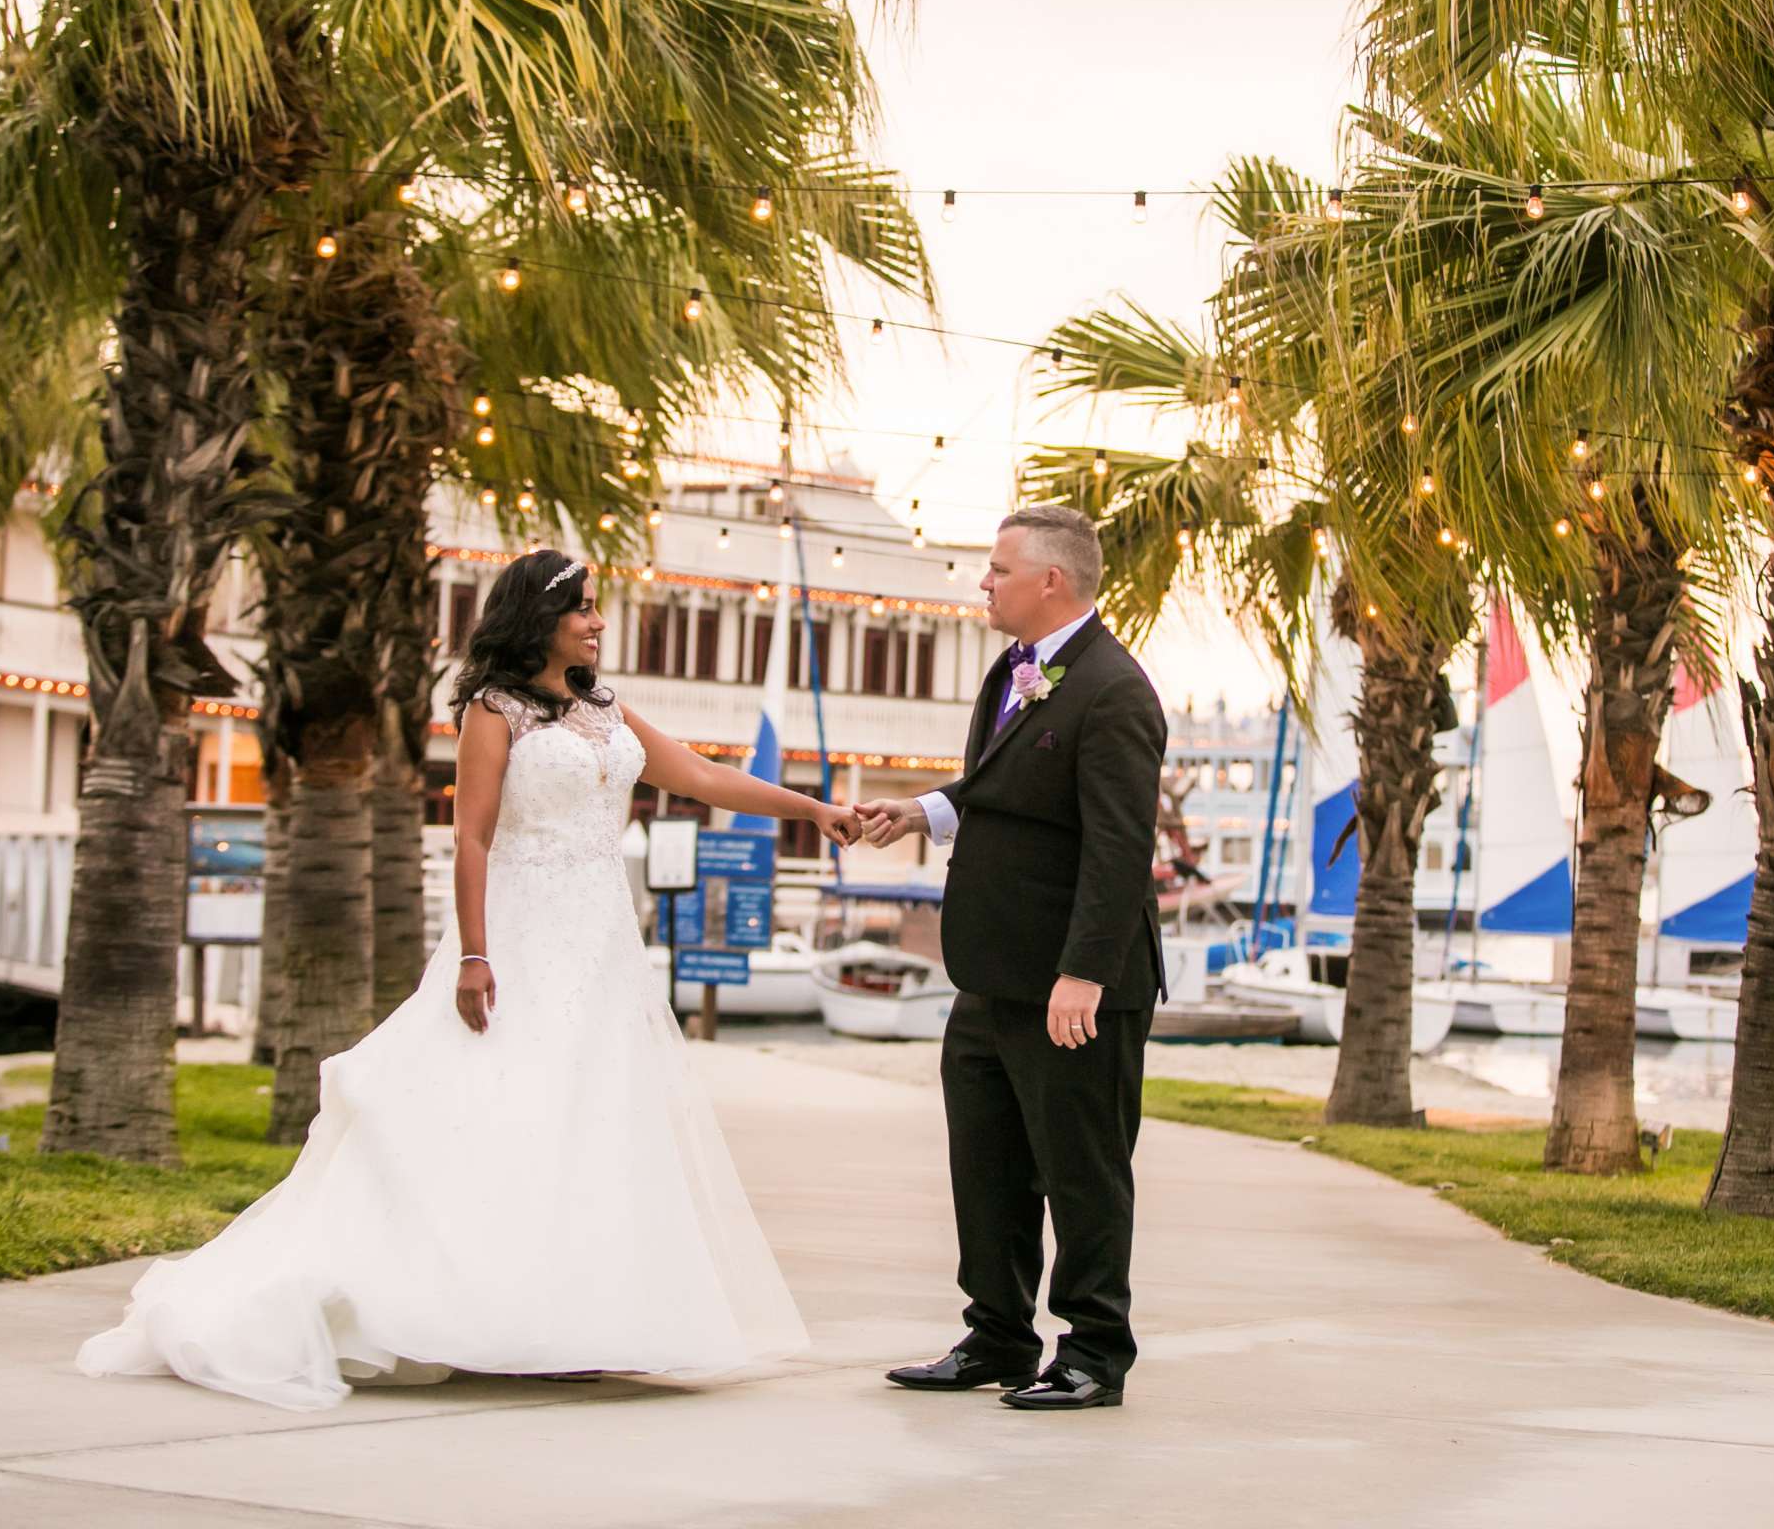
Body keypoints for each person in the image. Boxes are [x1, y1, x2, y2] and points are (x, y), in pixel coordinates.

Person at [77, 549, 863, 1411]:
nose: (599, 623)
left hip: (600, 944)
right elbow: (475, 837)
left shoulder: (606, 708)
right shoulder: (495, 712)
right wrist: (474, 954)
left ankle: (574, 1316)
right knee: (508, 1104)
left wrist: (812, 809)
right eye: (585, 610)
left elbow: (704, 777)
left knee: (592, 1116)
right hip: (521, 935)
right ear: (541, 618)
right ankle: (470, 1306)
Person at [856, 505, 1166, 1413]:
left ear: (1051, 583)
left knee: (1081, 1170)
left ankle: (1094, 1352)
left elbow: (1118, 847)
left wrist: (1086, 973)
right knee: (984, 1161)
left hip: (1073, 986)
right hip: (990, 975)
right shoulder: (1018, 669)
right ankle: (997, 1334)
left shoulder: (1116, 691)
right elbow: (1007, 785)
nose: (983, 583)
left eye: (997, 569)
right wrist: (925, 811)